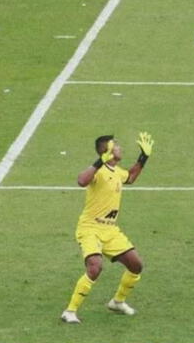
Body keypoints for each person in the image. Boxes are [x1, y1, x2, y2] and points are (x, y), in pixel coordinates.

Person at [60, 132, 154, 324]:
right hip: (90, 228)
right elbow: (81, 181)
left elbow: (131, 177)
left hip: (110, 230)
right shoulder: (99, 170)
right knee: (95, 267)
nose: (119, 147)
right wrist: (98, 162)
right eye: (115, 145)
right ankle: (70, 311)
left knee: (136, 265)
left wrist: (143, 157)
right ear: (107, 151)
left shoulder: (116, 171)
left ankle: (117, 302)